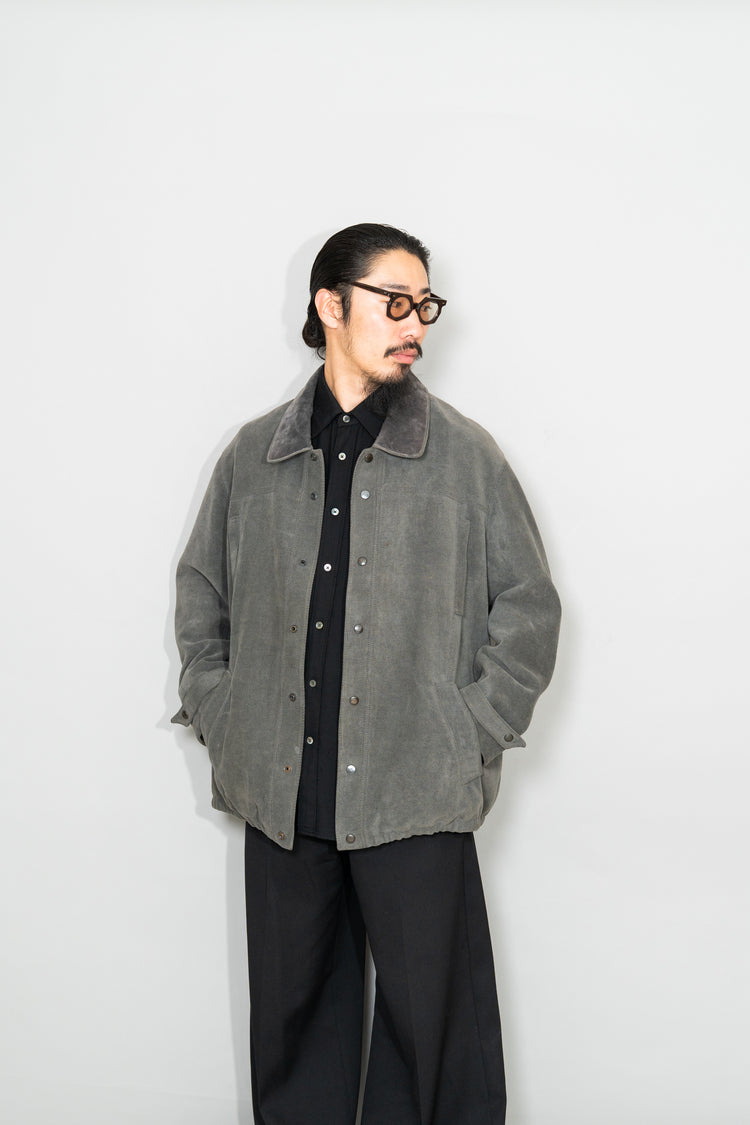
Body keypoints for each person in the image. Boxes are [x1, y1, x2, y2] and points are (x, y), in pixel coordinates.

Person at [172, 222, 561, 1125]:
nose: (415, 323)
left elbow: (530, 606)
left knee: (437, 1042)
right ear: (330, 304)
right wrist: (223, 711)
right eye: (395, 301)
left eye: (424, 304)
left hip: (413, 787)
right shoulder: (254, 456)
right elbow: (202, 593)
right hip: (284, 794)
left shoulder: (463, 456)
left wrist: (466, 732)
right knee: (293, 1039)